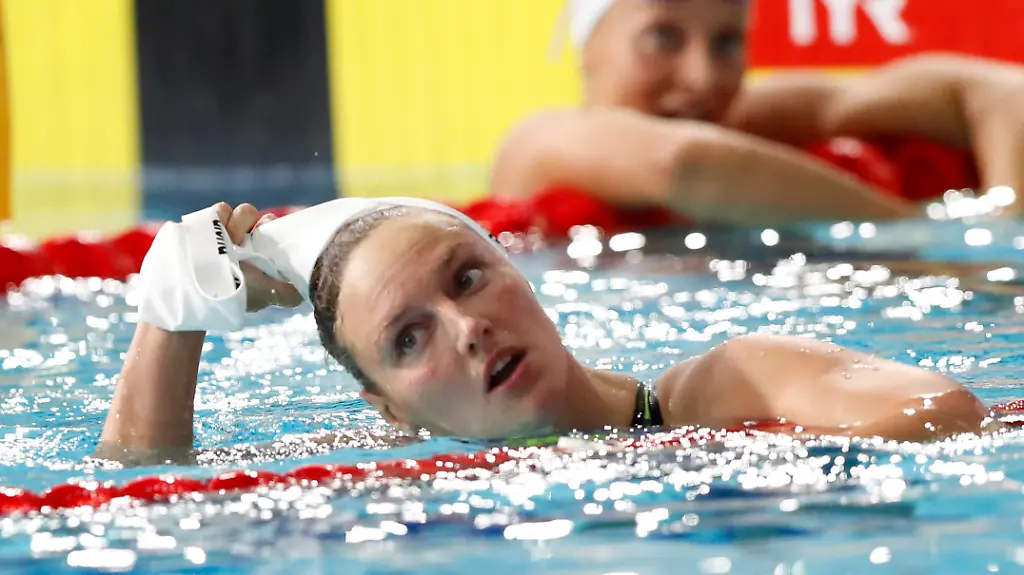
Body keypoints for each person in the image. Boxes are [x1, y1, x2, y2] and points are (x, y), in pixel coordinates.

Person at [97, 197, 993, 463]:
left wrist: (683, 459)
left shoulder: (730, 386)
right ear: (392, 409)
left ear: (519, 273)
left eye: (468, 278)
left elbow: (944, 412)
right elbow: (142, 493)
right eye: (409, 338)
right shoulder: (391, 473)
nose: (467, 327)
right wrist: (172, 315)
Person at [490, 0, 1024, 226]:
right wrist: (918, 239)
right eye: (663, 37)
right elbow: (683, 164)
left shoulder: (745, 121)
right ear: (588, 45)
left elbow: (999, 90)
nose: (702, 78)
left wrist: (1005, 217)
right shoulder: (541, 142)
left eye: (726, 43)